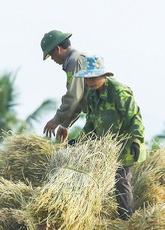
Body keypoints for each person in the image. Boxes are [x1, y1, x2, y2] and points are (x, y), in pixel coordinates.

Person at [74, 55, 146, 220]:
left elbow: (134, 118)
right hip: (107, 148)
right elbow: (91, 123)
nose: (90, 82)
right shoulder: (91, 95)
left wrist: (136, 140)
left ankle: (127, 220)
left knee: (120, 180)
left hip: (126, 145)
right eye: (87, 78)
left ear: (103, 75)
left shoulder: (119, 91)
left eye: (93, 78)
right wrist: (79, 141)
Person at [41, 30, 88, 142]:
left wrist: (56, 120)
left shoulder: (74, 60)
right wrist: (64, 125)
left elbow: (73, 96)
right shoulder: (75, 59)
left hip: (103, 111)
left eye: (51, 55)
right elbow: (79, 100)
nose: (52, 59)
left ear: (58, 49)